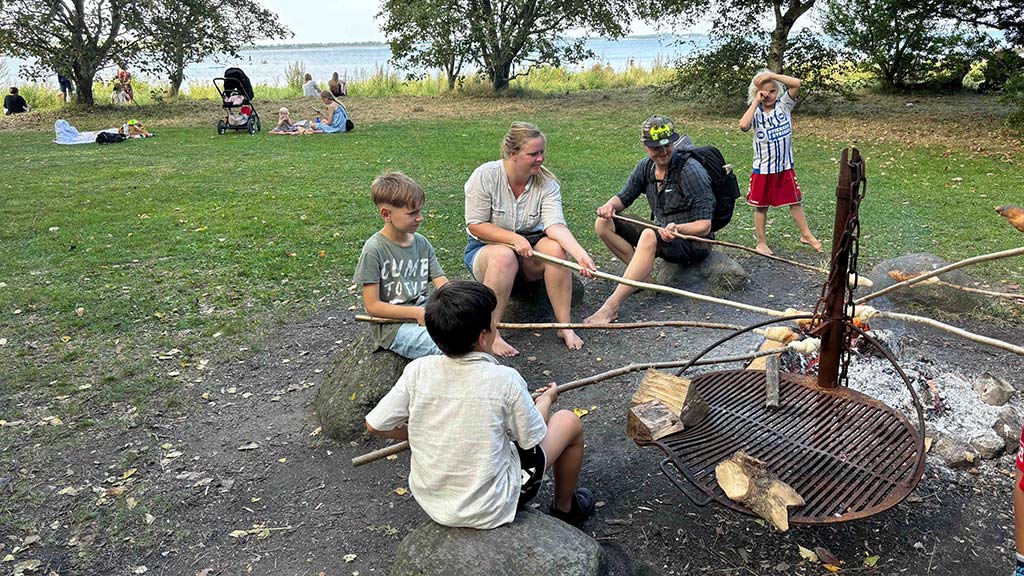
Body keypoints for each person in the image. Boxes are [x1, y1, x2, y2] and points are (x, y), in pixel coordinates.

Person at [365, 280, 594, 528]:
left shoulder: (418, 371)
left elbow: (374, 424)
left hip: (433, 500)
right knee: (568, 421)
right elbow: (532, 438)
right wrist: (546, 401)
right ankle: (565, 508)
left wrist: (416, 433)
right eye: (493, 321)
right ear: (483, 337)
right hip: (492, 505)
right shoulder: (505, 380)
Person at [463, 121, 596, 356]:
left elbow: (555, 225)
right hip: (487, 250)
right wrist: (512, 239)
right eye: (533, 154)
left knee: (556, 250)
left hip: (530, 254)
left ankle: (564, 325)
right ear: (513, 155)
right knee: (504, 256)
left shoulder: (547, 183)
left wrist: (580, 254)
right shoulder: (485, 176)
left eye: (542, 152)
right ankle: (492, 332)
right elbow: (476, 225)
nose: (540, 158)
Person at [585, 115, 714, 324]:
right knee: (603, 223)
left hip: (692, 242)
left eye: (667, 145)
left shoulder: (691, 171)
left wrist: (677, 229)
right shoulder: (645, 167)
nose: (663, 152)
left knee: (647, 234)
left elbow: (704, 226)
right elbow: (624, 197)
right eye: (656, 147)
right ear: (644, 145)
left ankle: (611, 307)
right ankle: (640, 278)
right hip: (662, 232)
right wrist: (609, 206)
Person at [352, 171, 449, 359]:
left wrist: (460, 302)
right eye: (412, 213)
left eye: (420, 211)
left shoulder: (422, 243)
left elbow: (442, 283)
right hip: (393, 328)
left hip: (426, 317)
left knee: (468, 339)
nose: (420, 217)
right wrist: (415, 313)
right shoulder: (374, 249)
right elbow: (372, 306)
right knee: (448, 347)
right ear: (386, 214)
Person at [739, 69, 821, 256]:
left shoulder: (784, 106)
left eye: (772, 91)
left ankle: (806, 234)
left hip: (784, 166)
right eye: (763, 92)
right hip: (763, 168)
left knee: (795, 200)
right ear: (756, 93)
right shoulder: (756, 112)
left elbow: (797, 83)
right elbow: (743, 126)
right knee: (761, 206)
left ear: (778, 92)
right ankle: (761, 242)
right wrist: (756, 101)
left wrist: (771, 76)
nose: (768, 95)